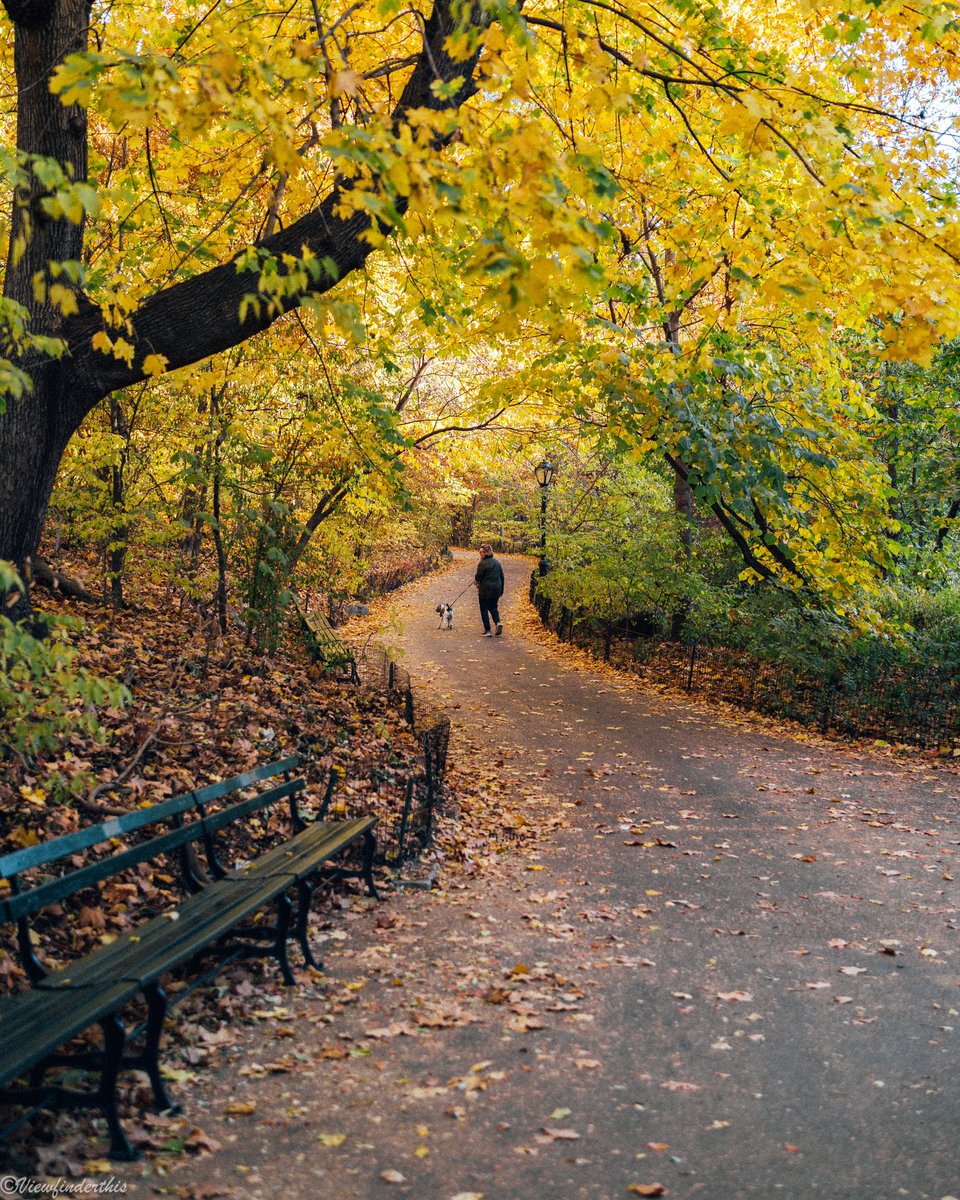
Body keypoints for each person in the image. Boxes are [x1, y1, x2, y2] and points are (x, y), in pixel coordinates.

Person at [474, 544, 504, 636]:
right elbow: (502, 577)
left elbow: (478, 577)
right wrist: (501, 590)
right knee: (493, 607)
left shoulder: (483, 563)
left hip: (485, 590)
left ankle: (487, 630)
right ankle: (498, 622)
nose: (480, 554)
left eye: (481, 552)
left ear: (486, 553)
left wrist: (477, 582)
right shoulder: (497, 563)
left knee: (484, 609)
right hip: (496, 590)